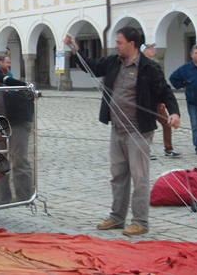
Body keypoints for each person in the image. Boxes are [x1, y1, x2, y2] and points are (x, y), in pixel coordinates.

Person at [64, 26, 180, 237]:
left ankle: (140, 222)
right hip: (117, 129)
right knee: (118, 176)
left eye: (119, 43)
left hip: (138, 131)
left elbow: (165, 90)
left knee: (140, 178)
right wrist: (76, 49)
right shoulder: (113, 62)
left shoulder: (148, 67)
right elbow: (91, 67)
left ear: (132, 44)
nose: (116, 46)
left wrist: (175, 113)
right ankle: (117, 218)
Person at [140, 43, 182, 158]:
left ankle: (168, 149)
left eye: (153, 48)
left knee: (167, 123)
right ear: (144, 51)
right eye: (150, 48)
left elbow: (161, 85)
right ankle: (145, 150)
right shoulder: (140, 65)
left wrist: (162, 100)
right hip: (145, 102)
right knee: (147, 127)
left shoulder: (155, 65)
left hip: (157, 103)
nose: (153, 50)